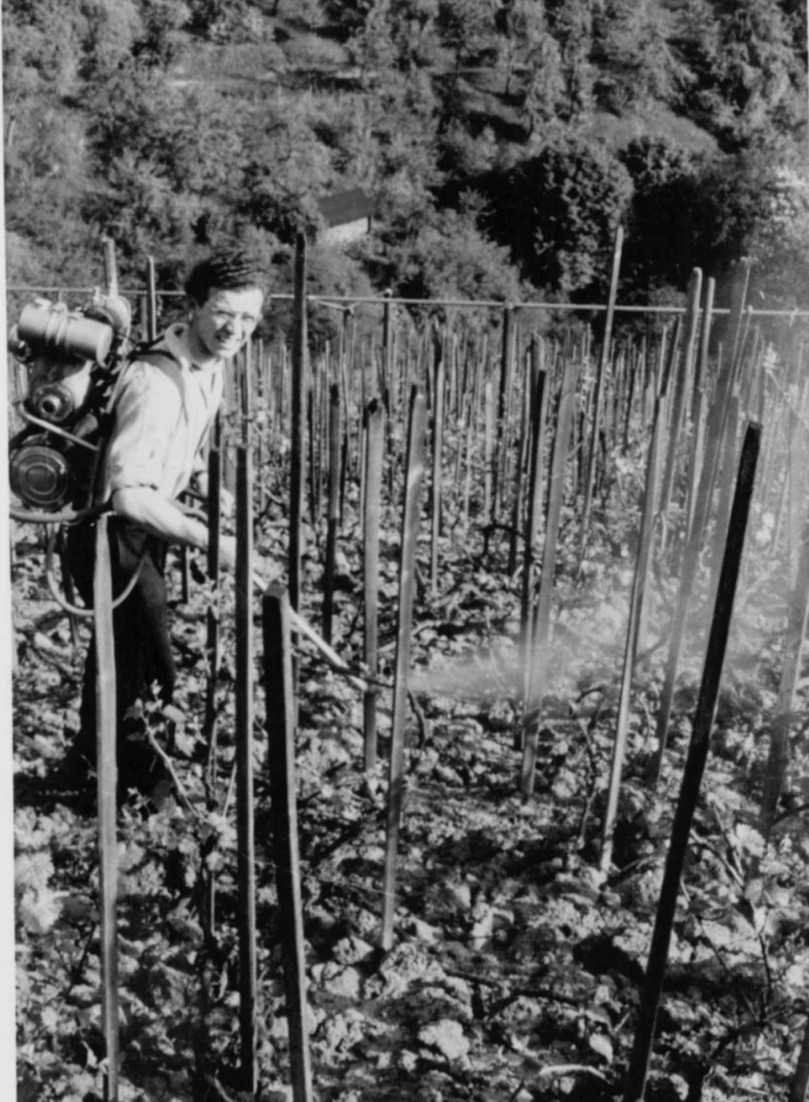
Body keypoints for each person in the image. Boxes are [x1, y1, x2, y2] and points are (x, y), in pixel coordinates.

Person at [64, 249, 265, 797]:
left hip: (148, 528)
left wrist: (209, 489)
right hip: (110, 533)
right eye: (224, 312)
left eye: (249, 318)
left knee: (119, 656)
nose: (235, 329)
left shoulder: (210, 365)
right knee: (151, 668)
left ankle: (87, 766)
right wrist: (211, 541)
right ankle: (148, 793)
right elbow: (128, 495)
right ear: (194, 306)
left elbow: (188, 448)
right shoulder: (154, 381)